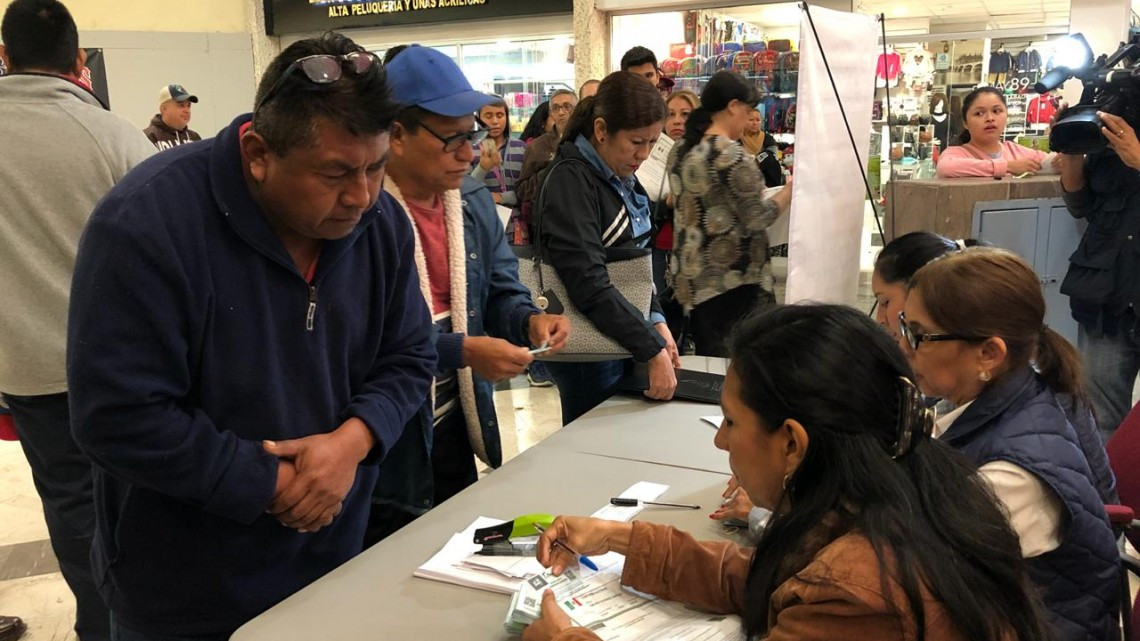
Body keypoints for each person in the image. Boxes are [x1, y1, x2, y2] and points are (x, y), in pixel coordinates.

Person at [67, 33, 437, 640]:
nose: (362, 196)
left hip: (335, 560)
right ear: (258, 153)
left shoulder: (379, 223)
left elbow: (410, 353)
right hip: (187, 591)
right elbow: (117, 415)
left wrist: (353, 441)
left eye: (376, 167)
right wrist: (273, 483)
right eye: (336, 173)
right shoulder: (145, 224)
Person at [521, 304, 1052, 641]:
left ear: (793, 443)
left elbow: (811, 585)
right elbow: (771, 578)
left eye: (732, 422)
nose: (720, 440)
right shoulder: (905, 490)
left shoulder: (858, 593)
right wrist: (619, 538)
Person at [367, 45, 570, 543]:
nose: (471, 153)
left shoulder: (472, 201)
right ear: (396, 134)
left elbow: (500, 289)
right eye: (452, 139)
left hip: (456, 423)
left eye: (473, 134)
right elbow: (360, 341)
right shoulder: (361, 212)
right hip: (385, 444)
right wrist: (461, 350)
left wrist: (528, 320)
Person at [0, 2, 155, 639]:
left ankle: (100, 626)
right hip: (122, 366)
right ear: (79, 59)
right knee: (143, 502)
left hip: (28, 368)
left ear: (4, 56)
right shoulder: (116, 136)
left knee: (71, 509)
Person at [903, 248, 1120, 641]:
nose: (905, 347)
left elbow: (908, 570)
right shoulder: (984, 402)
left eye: (919, 336)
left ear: (988, 354)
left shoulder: (1013, 475)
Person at [536, 71, 680, 425]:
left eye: (652, 143)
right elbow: (588, 282)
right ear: (601, 130)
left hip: (622, 335)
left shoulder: (621, 177)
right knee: (595, 447)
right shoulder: (572, 179)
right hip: (590, 350)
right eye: (636, 142)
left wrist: (656, 320)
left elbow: (635, 265)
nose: (644, 154)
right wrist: (650, 346)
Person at [669, 71, 792, 357]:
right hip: (735, 282)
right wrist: (789, 191)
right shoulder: (729, 153)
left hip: (693, 282)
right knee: (742, 365)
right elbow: (758, 216)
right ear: (733, 106)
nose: (749, 121)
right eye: (748, 111)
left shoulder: (681, 150)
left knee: (710, 365)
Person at [1057, 109, 1140, 442]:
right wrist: (1071, 149)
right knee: (1101, 419)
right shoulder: (1116, 118)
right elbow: (1080, 204)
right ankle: (1105, 479)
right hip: (1109, 295)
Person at [652, 89, 699, 339]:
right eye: (670, 114)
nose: (677, 121)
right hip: (661, 245)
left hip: (695, 250)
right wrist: (668, 203)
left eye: (685, 114)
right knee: (663, 315)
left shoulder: (705, 154)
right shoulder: (649, 151)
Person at [936, 87, 1059, 178]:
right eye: (979, 113)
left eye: (996, 111)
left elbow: (1053, 162)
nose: (990, 118)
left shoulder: (1016, 151)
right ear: (965, 123)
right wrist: (1007, 167)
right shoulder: (957, 153)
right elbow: (945, 167)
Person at [514, 90, 579, 245]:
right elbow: (522, 190)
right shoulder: (538, 146)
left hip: (582, 217)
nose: (561, 112)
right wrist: (551, 170)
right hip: (550, 223)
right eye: (556, 108)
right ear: (551, 114)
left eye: (567, 106)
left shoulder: (588, 142)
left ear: (577, 110)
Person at [470, 95, 527, 209]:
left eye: (500, 115)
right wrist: (482, 168)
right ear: (479, 118)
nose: (495, 121)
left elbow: (528, 191)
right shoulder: (470, 150)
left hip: (517, 219)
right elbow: (465, 192)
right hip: (484, 216)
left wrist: (502, 197)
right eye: (488, 116)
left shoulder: (522, 148)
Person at [143, 83, 201, 150]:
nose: (187, 110)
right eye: (181, 105)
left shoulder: (194, 138)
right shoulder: (148, 137)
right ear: (164, 109)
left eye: (188, 106)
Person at [740, 107, 783, 187]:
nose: (754, 123)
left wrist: (757, 161)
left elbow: (772, 155)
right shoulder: (738, 138)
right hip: (743, 178)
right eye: (751, 120)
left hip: (764, 180)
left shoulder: (767, 138)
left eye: (758, 120)